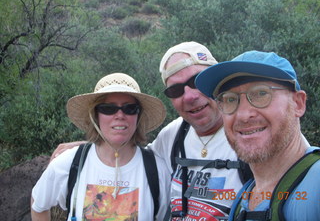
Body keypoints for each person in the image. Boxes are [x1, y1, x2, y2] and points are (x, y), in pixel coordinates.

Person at [50, 42, 252, 221]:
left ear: (215, 80)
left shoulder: (250, 133)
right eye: (175, 90)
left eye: (197, 81)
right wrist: (89, 148)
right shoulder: (173, 136)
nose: (189, 96)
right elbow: (131, 154)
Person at [196, 50, 320, 220]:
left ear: (298, 104)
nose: (243, 115)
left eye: (261, 94)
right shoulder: (243, 199)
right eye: (230, 99)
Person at [31, 73, 171, 221]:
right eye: (108, 108)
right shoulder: (69, 163)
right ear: (95, 115)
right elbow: (38, 204)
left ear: (138, 115)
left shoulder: (157, 170)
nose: (119, 115)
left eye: (130, 108)